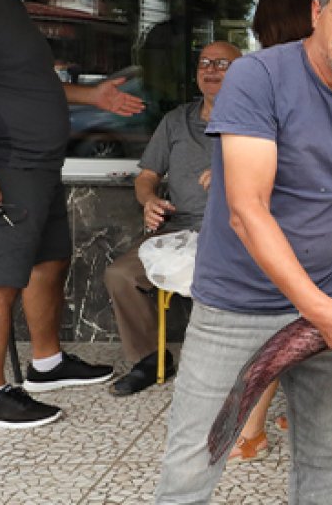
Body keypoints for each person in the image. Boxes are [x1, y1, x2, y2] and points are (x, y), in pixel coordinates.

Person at [154, 0, 332, 504]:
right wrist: (320, 308)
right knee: (194, 462)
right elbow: (248, 210)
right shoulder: (258, 76)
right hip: (235, 303)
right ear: (317, 13)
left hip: (330, 297)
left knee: (319, 456)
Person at [0, 0, 145, 429]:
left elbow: (23, 87)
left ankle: (47, 364)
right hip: (1, 168)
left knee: (50, 262)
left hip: (37, 168)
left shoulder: (8, 8)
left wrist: (90, 95)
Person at [103, 41, 242, 398]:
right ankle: (151, 360)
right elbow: (146, 176)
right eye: (204, 63)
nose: (211, 69)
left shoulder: (255, 121)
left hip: (238, 231)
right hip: (179, 229)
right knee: (121, 275)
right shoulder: (177, 120)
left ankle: (238, 365)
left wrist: (230, 173)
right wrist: (149, 200)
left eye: (222, 63)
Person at [225, 0, 315, 463]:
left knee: (281, 332)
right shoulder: (293, 81)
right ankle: (262, 423)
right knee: (290, 331)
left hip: (268, 229)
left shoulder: (258, 77)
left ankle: (257, 426)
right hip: (297, 229)